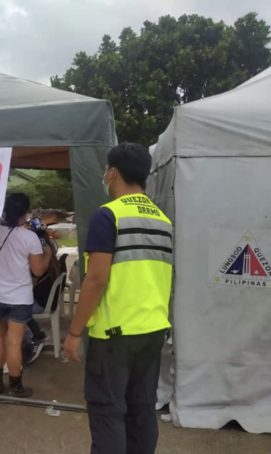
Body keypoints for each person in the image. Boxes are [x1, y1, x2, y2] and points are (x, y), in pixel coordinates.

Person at [63, 143, 172, 454]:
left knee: (108, 411)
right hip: (152, 330)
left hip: (114, 336)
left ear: (112, 172)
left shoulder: (108, 215)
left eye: (106, 171)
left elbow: (96, 279)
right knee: (141, 409)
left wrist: (74, 333)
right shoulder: (163, 221)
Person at [0, 193, 51, 398]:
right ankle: (16, 386)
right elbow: (38, 271)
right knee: (14, 342)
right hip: (19, 296)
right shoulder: (30, 237)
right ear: (25, 213)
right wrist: (48, 256)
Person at [24, 221, 61, 364]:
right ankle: (38, 333)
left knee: (12, 309)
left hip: (41, 303)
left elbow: (30, 287)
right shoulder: (50, 256)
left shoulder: (39, 262)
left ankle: (31, 341)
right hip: (48, 300)